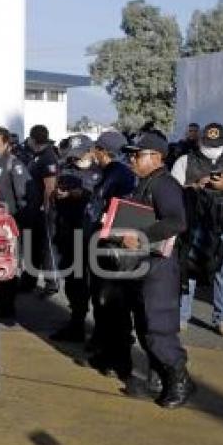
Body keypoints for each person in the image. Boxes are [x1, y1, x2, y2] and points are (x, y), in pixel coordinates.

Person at [120, 131, 194, 408]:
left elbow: (177, 221)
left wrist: (140, 236)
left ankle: (179, 381)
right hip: (144, 263)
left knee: (158, 326)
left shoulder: (164, 184)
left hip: (160, 266)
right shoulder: (146, 182)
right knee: (144, 323)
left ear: (156, 157)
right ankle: (158, 378)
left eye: (136, 155)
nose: (131, 160)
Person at [172, 122, 223, 337]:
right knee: (188, 268)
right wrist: (195, 186)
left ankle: (222, 318)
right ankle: (181, 316)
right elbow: (172, 190)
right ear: (200, 141)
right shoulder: (185, 160)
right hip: (194, 222)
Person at [81, 131, 136, 376]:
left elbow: (102, 205)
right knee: (106, 302)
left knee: (111, 303)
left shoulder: (116, 173)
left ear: (102, 151)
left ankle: (115, 358)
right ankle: (105, 348)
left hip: (111, 246)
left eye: (96, 149)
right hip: (108, 243)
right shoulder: (119, 172)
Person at [49, 135, 99, 343]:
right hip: (68, 232)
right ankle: (76, 322)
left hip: (93, 236)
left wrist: (81, 194)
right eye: (73, 156)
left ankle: (101, 331)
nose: (76, 159)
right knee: (73, 282)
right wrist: (57, 195)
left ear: (91, 151)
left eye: (80, 155)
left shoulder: (102, 172)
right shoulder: (65, 168)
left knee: (97, 285)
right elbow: (54, 194)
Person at [0, 126, 32, 322]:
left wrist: (16, 223)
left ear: (6, 144)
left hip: (9, 224)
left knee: (8, 268)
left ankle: (6, 309)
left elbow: (23, 196)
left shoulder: (14, 164)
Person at [22, 124, 60, 295]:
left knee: (46, 247)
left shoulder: (48, 157)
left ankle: (52, 283)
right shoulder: (36, 156)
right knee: (33, 246)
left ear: (33, 139)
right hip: (33, 209)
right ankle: (29, 279)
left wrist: (46, 208)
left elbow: (50, 186)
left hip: (44, 211)